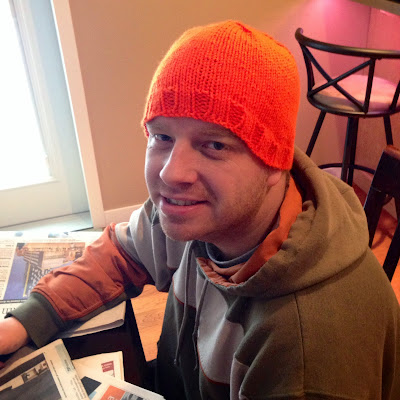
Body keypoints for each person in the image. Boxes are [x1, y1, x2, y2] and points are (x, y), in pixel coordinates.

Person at [0, 20, 399, 399]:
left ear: (274, 163)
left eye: (215, 145)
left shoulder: (306, 352)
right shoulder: (201, 213)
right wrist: (22, 323)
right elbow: (122, 252)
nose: (172, 173)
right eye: (162, 136)